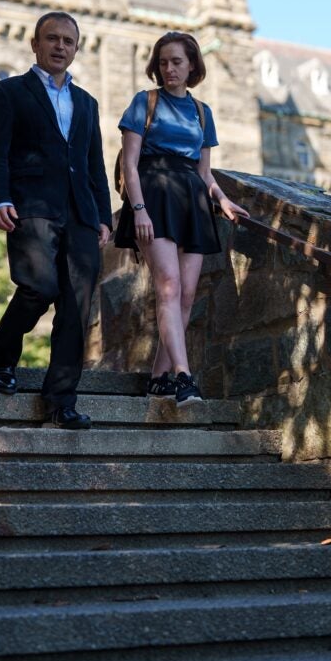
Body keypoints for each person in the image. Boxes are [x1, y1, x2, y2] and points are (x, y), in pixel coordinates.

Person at [0, 11, 112, 429]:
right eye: (51, 38)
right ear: (35, 44)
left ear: (75, 49)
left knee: (76, 306)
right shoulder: (8, 93)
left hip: (82, 215)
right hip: (30, 206)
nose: (60, 46)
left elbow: (95, 167)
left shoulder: (87, 103)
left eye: (68, 41)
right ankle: (4, 351)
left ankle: (60, 401)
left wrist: (104, 217)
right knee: (39, 286)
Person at [114, 31, 248, 406]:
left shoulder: (203, 112)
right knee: (169, 287)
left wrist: (222, 200)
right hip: (154, 196)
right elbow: (129, 163)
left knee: (187, 294)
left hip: (192, 200)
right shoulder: (145, 102)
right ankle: (183, 377)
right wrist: (138, 209)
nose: (169, 69)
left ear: (192, 66)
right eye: (163, 62)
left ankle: (158, 377)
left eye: (176, 62)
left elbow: (205, 173)